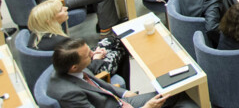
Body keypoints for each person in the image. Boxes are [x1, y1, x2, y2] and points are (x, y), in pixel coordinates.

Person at [46, 39, 196, 108]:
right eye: (88, 55)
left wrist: (124, 93)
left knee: (175, 92)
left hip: (120, 100)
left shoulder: (69, 67)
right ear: (73, 67)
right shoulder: (68, 94)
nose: (93, 53)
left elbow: (97, 84)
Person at [28, 0, 129, 83]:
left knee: (112, 40)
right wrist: (96, 58)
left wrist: (92, 53)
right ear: (49, 20)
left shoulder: (34, 36)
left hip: (67, 72)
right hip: (87, 75)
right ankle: (123, 94)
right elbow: (84, 69)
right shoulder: (62, 43)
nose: (66, 8)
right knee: (120, 48)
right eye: (60, 10)